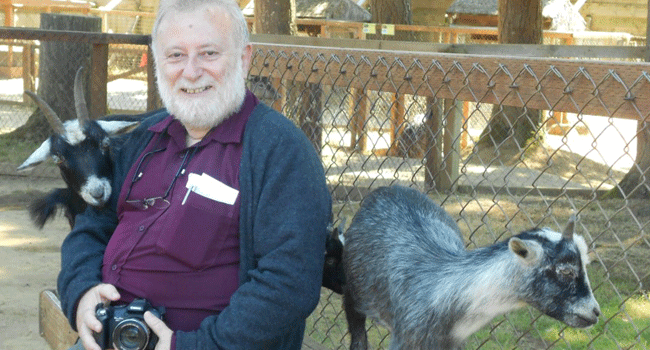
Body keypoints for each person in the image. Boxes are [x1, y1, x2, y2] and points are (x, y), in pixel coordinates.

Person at [57, 0, 332, 349]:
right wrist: (81, 292)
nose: (191, 71)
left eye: (209, 53)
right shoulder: (144, 138)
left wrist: (192, 346)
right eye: (175, 56)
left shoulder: (278, 150)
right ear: (158, 64)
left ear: (244, 58)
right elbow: (91, 228)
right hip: (108, 337)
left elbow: (289, 283)